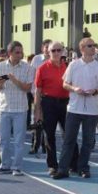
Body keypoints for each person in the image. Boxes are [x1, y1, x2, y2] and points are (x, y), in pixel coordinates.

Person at [53, 37, 98, 179]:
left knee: (88, 141)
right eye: (90, 46)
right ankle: (63, 169)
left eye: (94, 45)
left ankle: (83, 168)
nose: (93, 48)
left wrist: (95, 91)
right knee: (69, 140)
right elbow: (65, 84)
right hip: (74, 108)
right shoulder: (73, 65)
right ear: (82, 48)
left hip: (92, 109)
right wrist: (74, 89)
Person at [0, 41, 35, 176]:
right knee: (3, 139)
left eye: (21, 52)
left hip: (20, 109)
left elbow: (27, 88)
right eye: (17, 52)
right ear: (10, 53)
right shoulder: (0, 66)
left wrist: (14, 80)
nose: (20, 54)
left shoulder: (28, 67)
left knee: (19, 140)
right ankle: (5, 165)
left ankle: (16, 167)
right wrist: (0, 83)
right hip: (4, 108)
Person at [33, 41, 70, 176]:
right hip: (48, 103)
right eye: (53, 50)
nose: (55, 53)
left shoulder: (68, 67)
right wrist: (37, 111)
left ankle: (71, 163)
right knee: (49, 136)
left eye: (58, 50)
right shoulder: (42, 68)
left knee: (69, 135)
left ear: (62, 52)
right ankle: (52, 165)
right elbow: (37, 91)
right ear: (48, 52)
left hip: (66, 103)